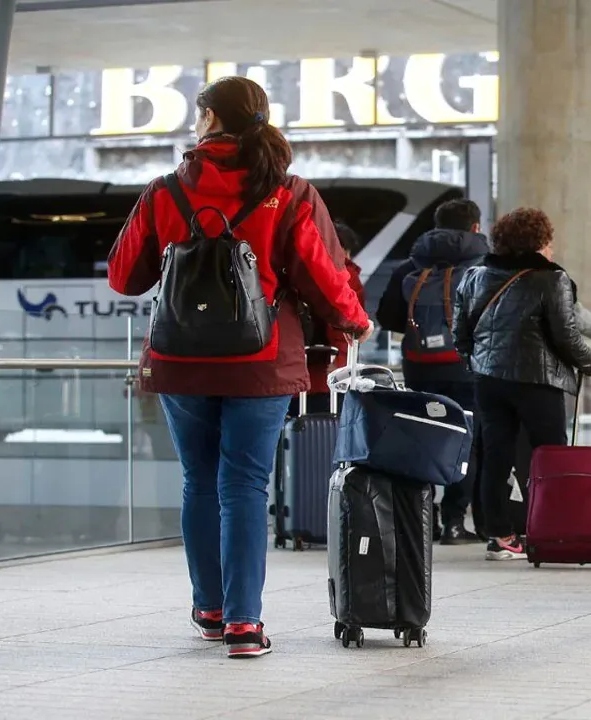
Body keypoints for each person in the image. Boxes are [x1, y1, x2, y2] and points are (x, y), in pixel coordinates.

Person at [107, 76, 373, 659]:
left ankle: (209, 608)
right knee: (246, 485)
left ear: (207, 119)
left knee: (199, 482)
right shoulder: (290, 191)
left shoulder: (164, 191)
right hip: (261, 359)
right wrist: (354, 321)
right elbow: (325, 277)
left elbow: (124, 277)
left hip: (181, 359)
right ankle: (244, 625)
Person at [453, 207, 591, 561]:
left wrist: (475, 363)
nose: (552, 251)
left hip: (488, 381)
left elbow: (459, 332)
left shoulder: (475, 275)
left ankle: (500, 536)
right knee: (548, 458)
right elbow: (566, 336)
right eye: (548, 242)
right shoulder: (551, 280)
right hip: (538, 382)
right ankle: (551, 530)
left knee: (496, 455)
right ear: (538, 244)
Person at [377, 199, 489, 545]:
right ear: (474, 228)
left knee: (423, 438)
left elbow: (387, 316)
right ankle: (455, 520)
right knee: (467, 441)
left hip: (419, 365)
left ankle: (422, 518)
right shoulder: (483, 267)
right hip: (466, 367)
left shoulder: (412, 265)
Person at [294, 221, 365, 417]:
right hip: (326, 375)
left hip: (294, 371)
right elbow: (345, 323)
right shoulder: (345, 274)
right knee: (324, 435)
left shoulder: (296, 267)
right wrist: (341, 364)